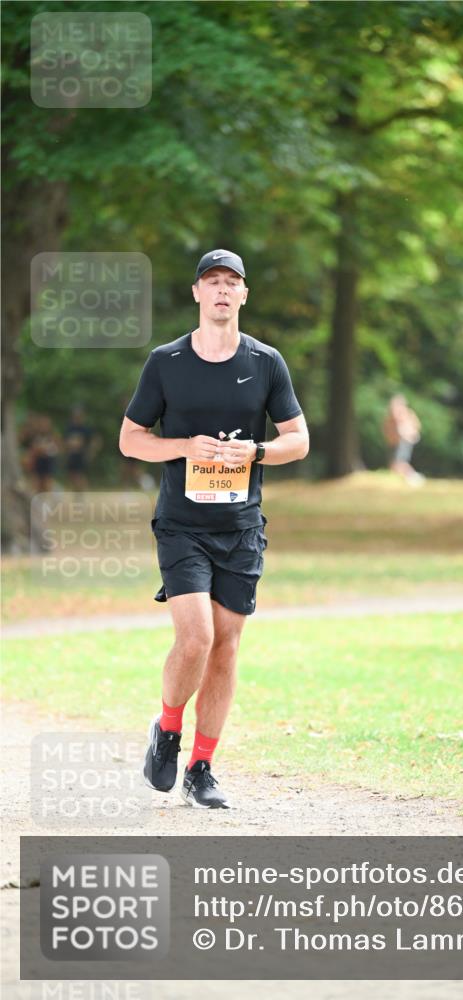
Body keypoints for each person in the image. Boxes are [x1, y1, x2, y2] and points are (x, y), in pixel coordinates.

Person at [119, 249, 309, 808]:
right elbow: (131, 439)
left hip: (241, 525)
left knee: (225, 646)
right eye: (212, 282)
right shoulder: (167, 361)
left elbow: (298, 440)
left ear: (244, 295)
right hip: (182, 524)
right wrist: (183, 447)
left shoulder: (266, 361)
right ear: (197, 293)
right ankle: (168, 728)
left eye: (232, 282)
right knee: (196, 635)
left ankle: (202, 768)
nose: (222, 291)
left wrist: (257, 452)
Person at [383, 394, 423, 484]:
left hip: (404, 442)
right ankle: (407, 478)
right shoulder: (392, 418)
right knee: (394, 464)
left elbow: (415, 427)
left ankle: (414, 477)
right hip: (396, 442)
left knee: (400, 463)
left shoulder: (405, 414)